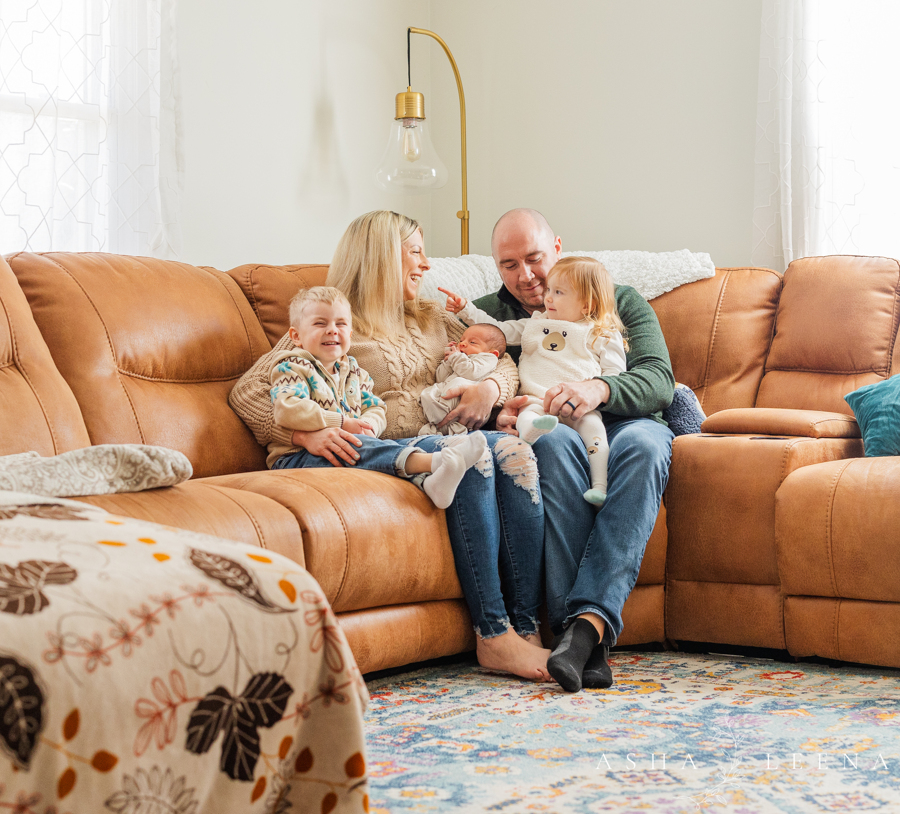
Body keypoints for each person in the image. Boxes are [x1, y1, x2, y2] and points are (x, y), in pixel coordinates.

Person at [230, 211, 552, 681]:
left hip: (446, 434)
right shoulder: (335, 322)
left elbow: (497, 357)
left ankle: (527, 628)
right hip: (392, 447)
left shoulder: (432, 315)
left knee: (516, 452)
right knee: (472, 461)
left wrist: (491, 391)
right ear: (382, 257)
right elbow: (249, 391)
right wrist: (303, 433)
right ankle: (494, 633)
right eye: (415, 251)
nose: (425, 264)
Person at [476, 208, 675, 693]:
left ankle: (582, 632)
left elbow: (658, 378)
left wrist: (599, 389)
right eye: (509, 265)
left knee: (646, 449)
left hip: (626, 424)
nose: (527, 277)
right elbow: (465, 374)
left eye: (535, 259)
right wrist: (497, 409)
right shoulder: (491, 316)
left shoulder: (617, 298)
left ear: (558, 248)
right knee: (556, 441)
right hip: (549, 424)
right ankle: (585, 643)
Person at [268, 285, 487, 509]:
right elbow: (288, 408)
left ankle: (429, 484)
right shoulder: (292, 367)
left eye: (341, 323)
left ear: (350, 335)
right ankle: (436, 462)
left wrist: (369, 425)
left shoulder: (355, 371)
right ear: (296, 336)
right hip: (296, 458)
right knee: (360, 446)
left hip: (346, 446)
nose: (333, 330)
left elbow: (376, 407)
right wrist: (342, 423)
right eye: (320, 323)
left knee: (369, 444)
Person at [441, 256, 626, 507]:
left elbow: (614, 376)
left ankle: (599, 487)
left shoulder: (601, 332)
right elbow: (499, 330)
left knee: (596, 435)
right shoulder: (537, 323)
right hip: (536, 399)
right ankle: (529, 434)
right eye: (549, 289)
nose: (547, 297)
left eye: (558, 292)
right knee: (528, 417)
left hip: (579, 406)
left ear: (586, 305)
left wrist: (598, 390)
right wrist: (466, 309)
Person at [418, 323, 507, 436]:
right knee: (428, 392)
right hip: (448, 397)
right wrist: (448, 361)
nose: (462, 344)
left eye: (472, 342)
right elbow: (440, 378)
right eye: (461, 340)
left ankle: (440, 418)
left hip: (468, 403)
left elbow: (471, 373)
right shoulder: (460, 359)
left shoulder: (487, 359)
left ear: (492, 353)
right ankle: (439, 424)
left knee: (458, 382)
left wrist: (455, 357)